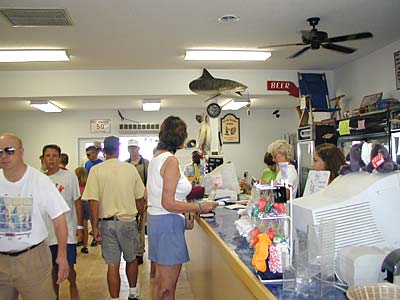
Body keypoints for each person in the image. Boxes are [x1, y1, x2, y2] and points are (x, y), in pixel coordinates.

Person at [147, 116, 217, 300]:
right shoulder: (170, 161)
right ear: (179, 137)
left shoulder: (156, 158)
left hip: (156, 221)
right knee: (168, 288)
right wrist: (199, 207)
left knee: (161, 281)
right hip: (167, 222)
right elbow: (168, 202)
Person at [0, 133, 70, 300]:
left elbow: (59, 220)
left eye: (9, 151)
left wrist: (62, 255)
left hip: (32, 259)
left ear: (21, 151)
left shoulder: (40, 181)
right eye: (0, 151)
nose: (4, 155)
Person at [82, 136, 145, 300]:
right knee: (131, 259)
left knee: (112, 264)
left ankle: (115, 298)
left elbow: (93, 201)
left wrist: (94, 227)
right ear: (118, 149)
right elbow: (140, 198)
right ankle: (133, 293)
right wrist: (139, 216)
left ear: (103, 151)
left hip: (107, 223)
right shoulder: (130, 169)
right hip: (128, 221)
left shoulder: (96, 170)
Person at [42, 144, 82, 300]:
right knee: (52, 269)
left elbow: (77, 202)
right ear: (43, 158)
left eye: (54, 155)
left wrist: (80, 227)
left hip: (67, 231)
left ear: (59, 158)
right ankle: (55, 296)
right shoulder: (41, 179)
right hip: (47, 234)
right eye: (48, 155)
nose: (51, 159)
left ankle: (73, 288)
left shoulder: (69, 177)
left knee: (69, 266)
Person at [126, 139, 149, 265]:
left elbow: (148, 182)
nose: (132, 150)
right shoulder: (125, 164)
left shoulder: (145, 163)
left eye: (134, 148)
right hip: (129, 200)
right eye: (130, 148)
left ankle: (140, 252)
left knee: (140, 226)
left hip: (142, 199)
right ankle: (132, 251)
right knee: (131, 227)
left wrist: (146, 200)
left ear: (138, 148)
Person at [84, 145, 103, 247]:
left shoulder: (101, 164)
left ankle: (99, 233)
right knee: (92, 214)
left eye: (89, 154)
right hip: (90, 192)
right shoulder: (87, 164)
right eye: (86, 155)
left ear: (95, 153)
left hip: (99, 193)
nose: (87, 156)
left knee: (98, 214)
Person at [75, 167, 90, 254]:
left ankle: (79, 239)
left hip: (79, 204)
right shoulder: (87, 185)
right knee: (85, 226)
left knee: (78, 224)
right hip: (86, 204)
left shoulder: (76, 185)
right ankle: (85, 246)